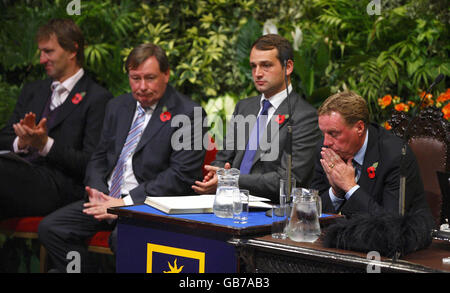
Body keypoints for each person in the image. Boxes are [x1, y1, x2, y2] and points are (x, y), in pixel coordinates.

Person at [38, 43, 207, 273]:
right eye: (135, 78)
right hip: (108, 198)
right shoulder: (118, 106)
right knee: (52, 228)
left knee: (124, 237)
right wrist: (98, 192)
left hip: (150, 204)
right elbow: (99, 156)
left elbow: (181, 176)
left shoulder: (189, 113)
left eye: (150, 78)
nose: (142, 87)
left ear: (166, 75)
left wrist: (125, 204)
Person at [0, 18, 112, 220]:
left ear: (72, 51)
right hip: (16, 178)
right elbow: (4, 137)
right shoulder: (33, 91)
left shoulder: (97, 98)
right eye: (41, 52)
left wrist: (45, 145)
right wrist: (21, 141)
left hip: (61, 187)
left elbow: (91, 163)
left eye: (48, 51)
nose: (42, 59)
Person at [192, 34, 321, 200]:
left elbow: (288, 180)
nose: (258, 73)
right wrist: (215, 175)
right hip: (228, 202)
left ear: (288, 67)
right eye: (253, 66)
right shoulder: (244, 107)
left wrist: (231, 179)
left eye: (266, 65)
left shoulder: (305, 116)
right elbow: (223, 158)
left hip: (270, 211)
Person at [310, 91, 433, 219]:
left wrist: (349, 187)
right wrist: (336, 192)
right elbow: (311, 211)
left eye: (333, 133)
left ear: (359, 128)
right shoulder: (325, 151)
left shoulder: (395, 156)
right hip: (343, 234)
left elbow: (391, 223)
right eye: (323, 133)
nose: (326, 142)